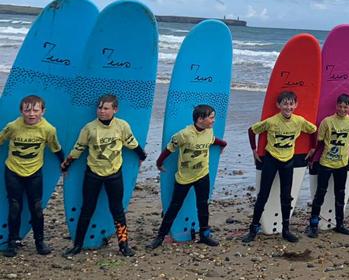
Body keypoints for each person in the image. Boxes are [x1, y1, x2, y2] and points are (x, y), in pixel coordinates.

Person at [62, 94, 147, 257]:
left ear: (115, 110)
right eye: (99, 107)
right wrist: (66, 165)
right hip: (93, 174)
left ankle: (124, 245)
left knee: (117, 210)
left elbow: (132, 143)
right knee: (87, 209)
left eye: (106, 108)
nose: (101, 111)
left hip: (114, 175)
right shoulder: (89, 128)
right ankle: (77, 245)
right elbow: (78, 149)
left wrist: (142, 156)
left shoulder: (122, 126)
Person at [242, 90, 317, 243]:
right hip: (271, 160)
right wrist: (254, 150)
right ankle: (253, 229)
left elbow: (313, 130)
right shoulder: (271, 121)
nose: (288, 107)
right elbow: (252, 130)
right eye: (285, 104)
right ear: (278, 105)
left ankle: (286, 230)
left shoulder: (299, 121)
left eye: (291, 104)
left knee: (286, 197)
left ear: (295, 105)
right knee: (263, 195)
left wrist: (313, 148)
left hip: (288, 161)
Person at [147, 104, 226, 249]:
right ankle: (159, 237)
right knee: (174, 207)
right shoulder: (184, 134)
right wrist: (159, 162)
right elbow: (170, 148)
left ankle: (204, 235)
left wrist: (223, 144)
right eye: (211, 117)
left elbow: (212, 140)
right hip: (184, 177)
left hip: (202, 175)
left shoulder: (209, 131)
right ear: (200, 119)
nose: (214, 120)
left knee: (203, 205)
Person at [0, 95, 65, 256]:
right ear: (21, 111)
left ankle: (39, 241)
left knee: (36, 207)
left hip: (34, 173)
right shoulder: (13, 126)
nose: (31, 114)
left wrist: (65, 164)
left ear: (43, 111)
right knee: (15, 206)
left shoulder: (48, 129)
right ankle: (12, 242)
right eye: (27, 110)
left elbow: (55, 148)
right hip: (13, 171)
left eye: (36, 110)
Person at [305, 93, 349, 237]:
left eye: (346, 107)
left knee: (340, 195)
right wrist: (312, 158)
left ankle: (340, 224)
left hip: (343, 164)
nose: (343, 109)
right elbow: (319, 142)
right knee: (320, 195)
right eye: (340, 106)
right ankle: (313, 225)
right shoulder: (327, 122)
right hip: (326, 163)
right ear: (336, 106)